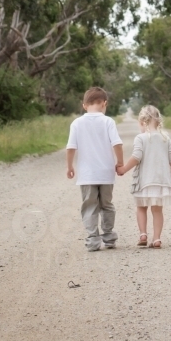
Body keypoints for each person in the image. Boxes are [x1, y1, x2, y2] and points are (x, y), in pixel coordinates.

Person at [66, 87, 123, 251]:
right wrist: (120, 162)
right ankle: (109, 237)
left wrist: (69, 167)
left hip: (87, 174)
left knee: (89, 206)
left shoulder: (76, 123)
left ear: (84, 105)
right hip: (106, 173)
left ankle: (93, 240)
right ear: (105, 103)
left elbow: (70, 148)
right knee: (107, 205)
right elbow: (117, 144)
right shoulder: (108, 122)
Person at [117, 104, 171, 248]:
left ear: (143, 122)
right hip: (161, 182)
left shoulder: (141, 138)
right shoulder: (165, 138)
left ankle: (143, 234)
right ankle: (156, 239)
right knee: (157, 210)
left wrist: (123, 169)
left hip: (144, 181)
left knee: (141, 207)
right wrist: (170, 178)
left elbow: (136, 157)